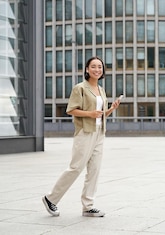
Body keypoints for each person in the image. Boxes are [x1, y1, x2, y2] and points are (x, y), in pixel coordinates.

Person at [42, 56, 121, 217]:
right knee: (76, 167)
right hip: (85, 132)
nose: (97, 69)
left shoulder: (101, 89)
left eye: (100, 67)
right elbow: (71, 110)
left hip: (99, 132)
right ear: (87, 69)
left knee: (94, 170)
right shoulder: (80, 88)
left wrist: (111, 108)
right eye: (93, 66)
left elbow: (101, 114)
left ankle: (88, 206)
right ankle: (51, 198)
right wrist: (90, 113)